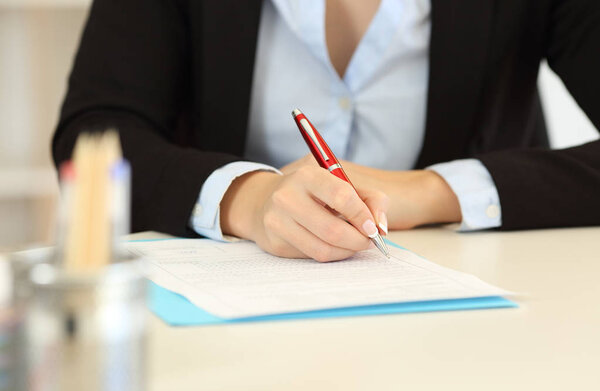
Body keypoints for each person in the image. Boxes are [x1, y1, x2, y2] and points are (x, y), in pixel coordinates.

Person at [52, 0, 600, 262]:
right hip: (230, 321)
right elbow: (96, 134)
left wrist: (435, 191)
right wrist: (247, 199)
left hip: (476, 324)